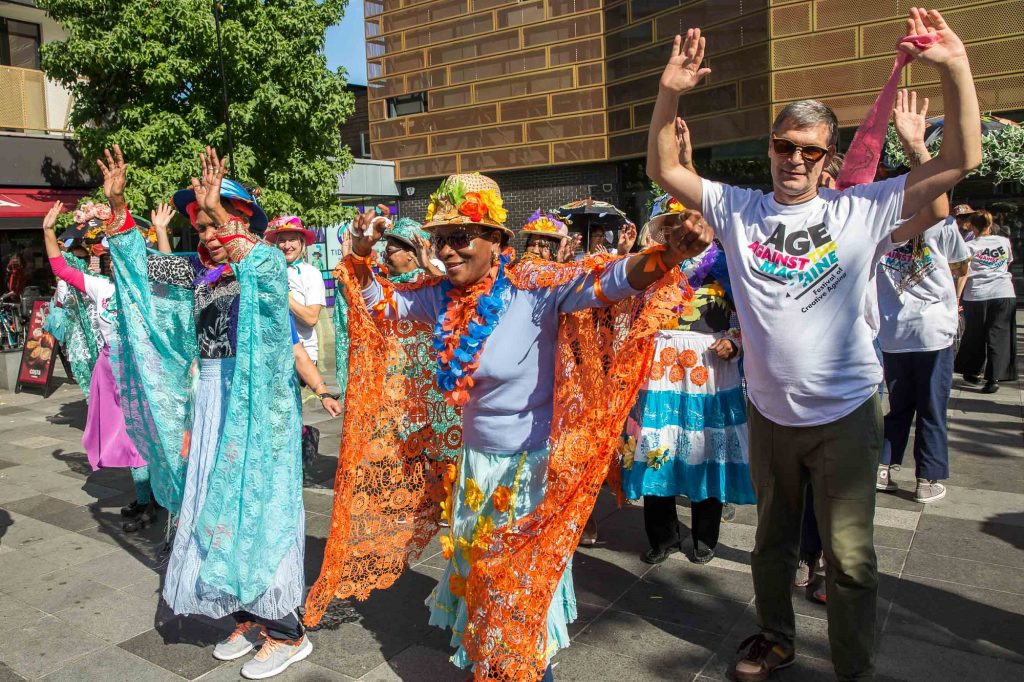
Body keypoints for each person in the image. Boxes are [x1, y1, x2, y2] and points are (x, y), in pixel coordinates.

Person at [646, 10, 981, 681]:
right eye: (784, 146)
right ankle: (776, 636)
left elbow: (962, 160)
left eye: (810, 150)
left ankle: (853, 665)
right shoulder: (738, 209)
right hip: (770, 414)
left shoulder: (862, 210)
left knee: (851, 559)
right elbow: (663, 166)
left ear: (828, 158)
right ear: (769, 148)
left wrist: (956, 67)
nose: (794, 159)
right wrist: (671, 91)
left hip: (848, 412)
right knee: (771, 545)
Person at [305, 172, 713, 680]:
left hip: (530, 476)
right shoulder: (439, 298)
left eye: (460, 237)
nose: (447, 251)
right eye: (440, 239)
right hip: (476, 470)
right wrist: (363, 258)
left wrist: (667, 257)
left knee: (518, 595)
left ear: (497, 241)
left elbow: (611, 282)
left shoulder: (535, 290)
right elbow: (379, 304)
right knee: (478, 587)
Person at [102, 145, 312, 679]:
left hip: (259, 409)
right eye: (199, 226)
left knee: (257, 509)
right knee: (215, 512)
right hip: (213, 402)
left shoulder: (262, 267)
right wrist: (119, 207)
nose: (207, 236)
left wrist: (223, 215)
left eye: (215, 222)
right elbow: (138, 267)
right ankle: (245, 615)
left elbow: (264, 274)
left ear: (241, 224)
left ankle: (287, 630)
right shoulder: (196, 272)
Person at [620, 193, 753, 567]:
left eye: (688, 222)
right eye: (673, 223)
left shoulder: (728, 266)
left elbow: (750, 315)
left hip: (710, 371)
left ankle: (705, 535)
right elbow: (627, 315)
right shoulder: (647, 268)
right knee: (656, 448)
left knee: (707, 447)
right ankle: (663, 536)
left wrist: (734, 341)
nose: (682, 231)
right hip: (658, 371)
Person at [876, 91, 969, 504]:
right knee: (931, 408)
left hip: (899, 334)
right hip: (925, 333)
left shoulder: (879, 225)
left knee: (899, 407)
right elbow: (957, 260)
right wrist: (918, 151)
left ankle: (884, 467)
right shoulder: (929, 225)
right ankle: (927, 477)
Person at [42, 201, 155, 531]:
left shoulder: (149, 290)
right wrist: (48, 232)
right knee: (128, 440)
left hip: (144, 372)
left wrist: (160, 232)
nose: (114, 263)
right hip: (111, 371)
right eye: (110, 258)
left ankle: (153, 500)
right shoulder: (101, 288)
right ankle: (147, 497)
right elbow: (62, 270)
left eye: (120, 257)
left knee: (145, 439)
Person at [265, 215, 329, 468]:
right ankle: (299, 442)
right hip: (272, 350)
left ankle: (296, 451)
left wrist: (284, 295)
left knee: (285, 409)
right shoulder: (269, 271)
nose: (286, 245)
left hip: (300, 353)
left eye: (292, 240)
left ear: (303, 245)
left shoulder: (310, 274)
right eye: (282, 240)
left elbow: (311, 317)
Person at [956, 209, 1017, 393]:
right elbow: (1008, 262)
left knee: (975, 334)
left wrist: (957, 296)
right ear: (990, 225)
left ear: (972, 226)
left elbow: (963, 273)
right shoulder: (1004, 242)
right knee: (999, 336)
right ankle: (994, 377)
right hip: (1003, 292)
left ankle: (972, 370)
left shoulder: (969, 246)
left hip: (977, 294)